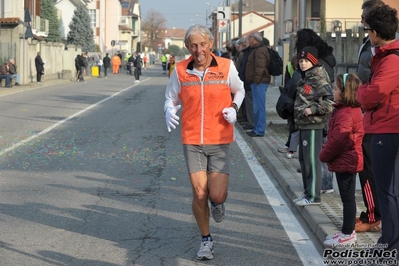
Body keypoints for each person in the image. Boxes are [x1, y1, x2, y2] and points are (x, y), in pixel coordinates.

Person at [164, 24, 245, 260]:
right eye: (193, 45)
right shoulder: (180, 70)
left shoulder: (226, 66)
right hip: (192, 140)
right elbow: (170, 97)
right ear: (188, 47)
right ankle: (206, 240)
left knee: (216, 195)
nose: (198, 50)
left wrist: (234, 108)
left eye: (202, 44)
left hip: (219, 138)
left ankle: (218, 203)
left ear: (210, 44)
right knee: (200, 193)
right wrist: (168, 110)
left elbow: (239, 90)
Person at [357, 4, 399, 255]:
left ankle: (388, 247)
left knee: (387, 192)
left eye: (367, 29)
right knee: (391, 191)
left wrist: (361, 91)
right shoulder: (386, 56)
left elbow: (372, 94)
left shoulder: (390, 59)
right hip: (388, 129)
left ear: (374, 32)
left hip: (387, 131)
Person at [320, 73, 364, 247]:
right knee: (347, 197)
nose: (333, 90)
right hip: (346, 160)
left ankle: (348, 233)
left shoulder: (346, 113)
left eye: (336, 88)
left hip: (346, 160)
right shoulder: (345, 110)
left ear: (345, 92)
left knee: (347, 198)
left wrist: (324, 155)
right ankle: (346, 230)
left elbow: (338, 140)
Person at [354, 0, 385, 233]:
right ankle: (376, 212)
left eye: (364, 15)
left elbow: (377, 84)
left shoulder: (387, 48)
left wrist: (362, 94)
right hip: (367, 109)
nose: (361, 18)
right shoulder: (368, 41)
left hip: (377, 112)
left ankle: (374, 215)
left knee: (368, 166)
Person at [295, 28, 337, 193]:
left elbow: (328, 99)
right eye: (301, 61)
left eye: (306, 61)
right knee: (307, 159)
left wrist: (312, 109)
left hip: (316, 121)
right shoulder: (310, 70)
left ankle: (318, 190)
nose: (303, 63)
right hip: (306, 121)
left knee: (315, 157)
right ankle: (313, 190)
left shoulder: (319, 71)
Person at [245, 31, 270, 137]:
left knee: (259, 107)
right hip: (257, 82)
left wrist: (256, 81)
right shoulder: (256, 50)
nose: (248, 40)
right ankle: (257, 128)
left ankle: (259, 129)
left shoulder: (260, 51)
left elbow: (260, 68)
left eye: (249, 38)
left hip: (259, 83)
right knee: (256, 107)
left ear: (255, 39)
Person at [277, 55, 300, 159]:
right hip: (292, 99)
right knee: (293, 126)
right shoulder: (289, 67)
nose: (295, 69)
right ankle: (290, 147)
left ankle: (291, 147)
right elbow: (287, 83)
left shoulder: (301, 73)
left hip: (298, 101)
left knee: (296, 127)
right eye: (294, 67)